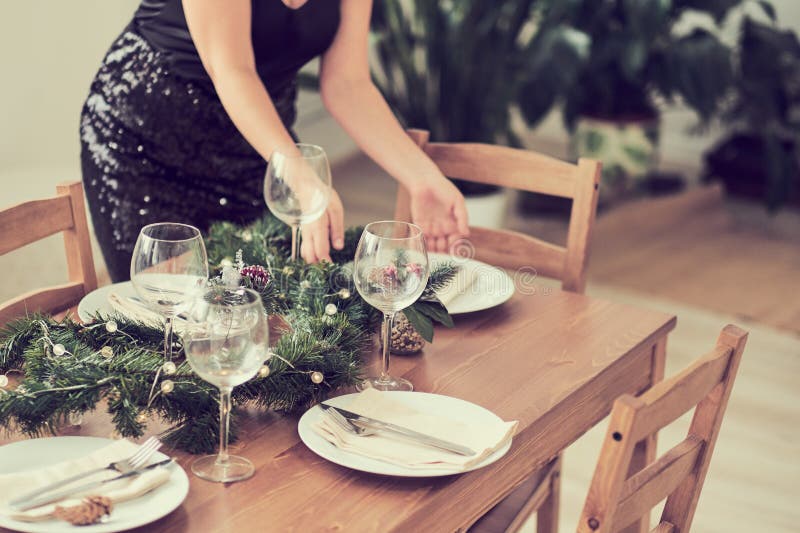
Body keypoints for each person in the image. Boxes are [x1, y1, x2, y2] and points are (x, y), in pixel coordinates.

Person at [80, 0, 469, 282]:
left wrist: (422, 176)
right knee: (159, 327)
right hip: (146, 147)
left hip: (256, 148)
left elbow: (348, 83)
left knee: (267, 313)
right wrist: (298, 174)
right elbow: (231, 69)